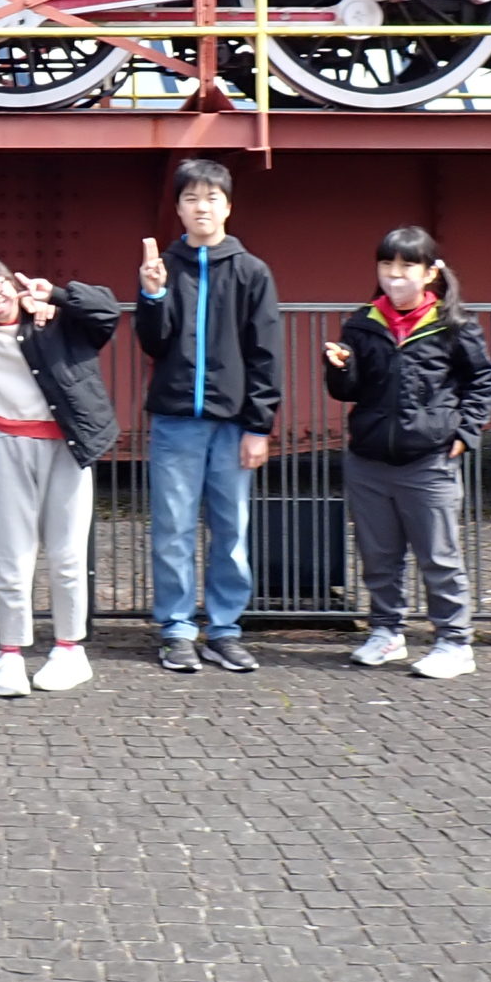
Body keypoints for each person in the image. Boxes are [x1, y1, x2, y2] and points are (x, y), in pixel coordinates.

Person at [323, 226, 491, 681]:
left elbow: (482, 380)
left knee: (439, 556)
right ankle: (386, 631)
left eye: (405, 266)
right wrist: (339, 370)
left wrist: (466, 432)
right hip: (369, 458)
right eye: (386, 265)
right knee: (379, 556)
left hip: (429, 459)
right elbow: (349, 391)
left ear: (429, 273)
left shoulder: (454, 324)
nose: (394, 275)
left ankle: (454, 641)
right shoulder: (362, 322)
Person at [134, 157, 282, 674]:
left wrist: (259, 425)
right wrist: (152, 294)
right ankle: (176, 629)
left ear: (228, 206)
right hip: (175, 420)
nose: (202, 207)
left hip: (232, 423)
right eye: (191, 198)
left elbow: (266, 353)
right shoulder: (165, 267)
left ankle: (224, 629)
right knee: (172, 530)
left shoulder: (251, 271)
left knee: (232, 530)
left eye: (211, 198)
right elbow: (154, 342)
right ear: (177, 208)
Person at [0, 254, 118, 697]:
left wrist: (57, 294)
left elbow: (107, 312)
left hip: (68, 445)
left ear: (13, 281)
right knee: (12, 554)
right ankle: (9, 653)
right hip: (8, 444)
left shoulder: (53, 317)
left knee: (68, 553)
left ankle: (69, 649)